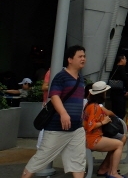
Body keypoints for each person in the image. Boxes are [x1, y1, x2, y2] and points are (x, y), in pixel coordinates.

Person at [22, 45, 87, 178]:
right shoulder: (61, 76)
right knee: (41, 157)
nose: (83, 59)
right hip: (57, 127)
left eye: (84, 56)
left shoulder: (81, 78)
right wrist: (63, 113)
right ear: (70, 59)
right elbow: (54, 95)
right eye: (80, 56)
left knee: (78, 161)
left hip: (76, 128)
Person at [83, 81, 127, 178]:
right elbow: (90, 126)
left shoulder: (90, 105)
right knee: (119, 144)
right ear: (102, 94)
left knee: (118, 142)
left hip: (89, 137)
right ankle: (113, 173)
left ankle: (107, 168)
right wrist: (104, 122)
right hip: (93, 139)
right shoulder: (95, 107)